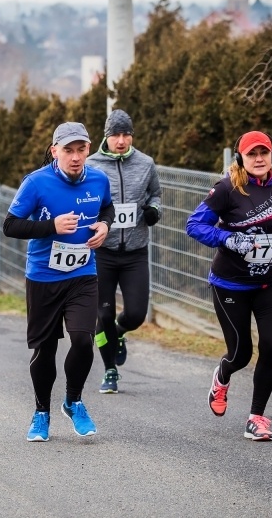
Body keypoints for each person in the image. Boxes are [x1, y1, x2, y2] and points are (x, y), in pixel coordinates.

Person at [3, 122, 114, 441]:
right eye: (68, 150)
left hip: (83, 274)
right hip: (43, 277)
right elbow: (10, 225)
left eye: (81, 149)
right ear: (55, 151)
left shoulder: (98, 179)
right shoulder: (36, 183)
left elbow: (107, 207)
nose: (76, 157)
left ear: (89, 149)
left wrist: (105, 226)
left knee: (83, 340)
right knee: (45, 350)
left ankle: (73, 401)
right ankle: (41, 413)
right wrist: (51, 226)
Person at [185, 130, 272, 441]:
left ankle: (257, 418)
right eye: (253, 154)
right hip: (230, 285)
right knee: (241, 354)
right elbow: (193, 225)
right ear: (241, 158)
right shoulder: (226, 189)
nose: (260, 159)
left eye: (264, 152)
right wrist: (230, 239)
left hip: (270, 282)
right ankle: (222, 377)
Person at [85, 109, 162, 393]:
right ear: (106, 136)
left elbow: (156, 194)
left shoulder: (145, 163)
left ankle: (119, 333)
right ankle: (109, 371)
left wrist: (154, 210)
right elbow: (82, 197)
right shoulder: (92, 165)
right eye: (115, 135)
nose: (121, 140)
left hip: (134, 252)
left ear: (131, 135)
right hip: (101, 252)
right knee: (102, 315)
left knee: (136, 315)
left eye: (125, 134)